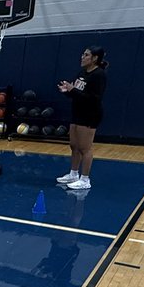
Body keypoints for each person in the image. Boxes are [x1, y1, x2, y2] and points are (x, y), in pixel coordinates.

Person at [56, 46, 108, 191]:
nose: (82, 57)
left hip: (90, 114)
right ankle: (73, 174)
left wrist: (73, 90)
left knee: (85, 148)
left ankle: (85, 179)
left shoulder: (99, 75)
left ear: (95, 58)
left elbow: (94, 99)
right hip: (77, 112)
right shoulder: (82, 72)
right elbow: (77, 93)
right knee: (74, 145)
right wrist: (67, 91)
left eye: (86, 55)